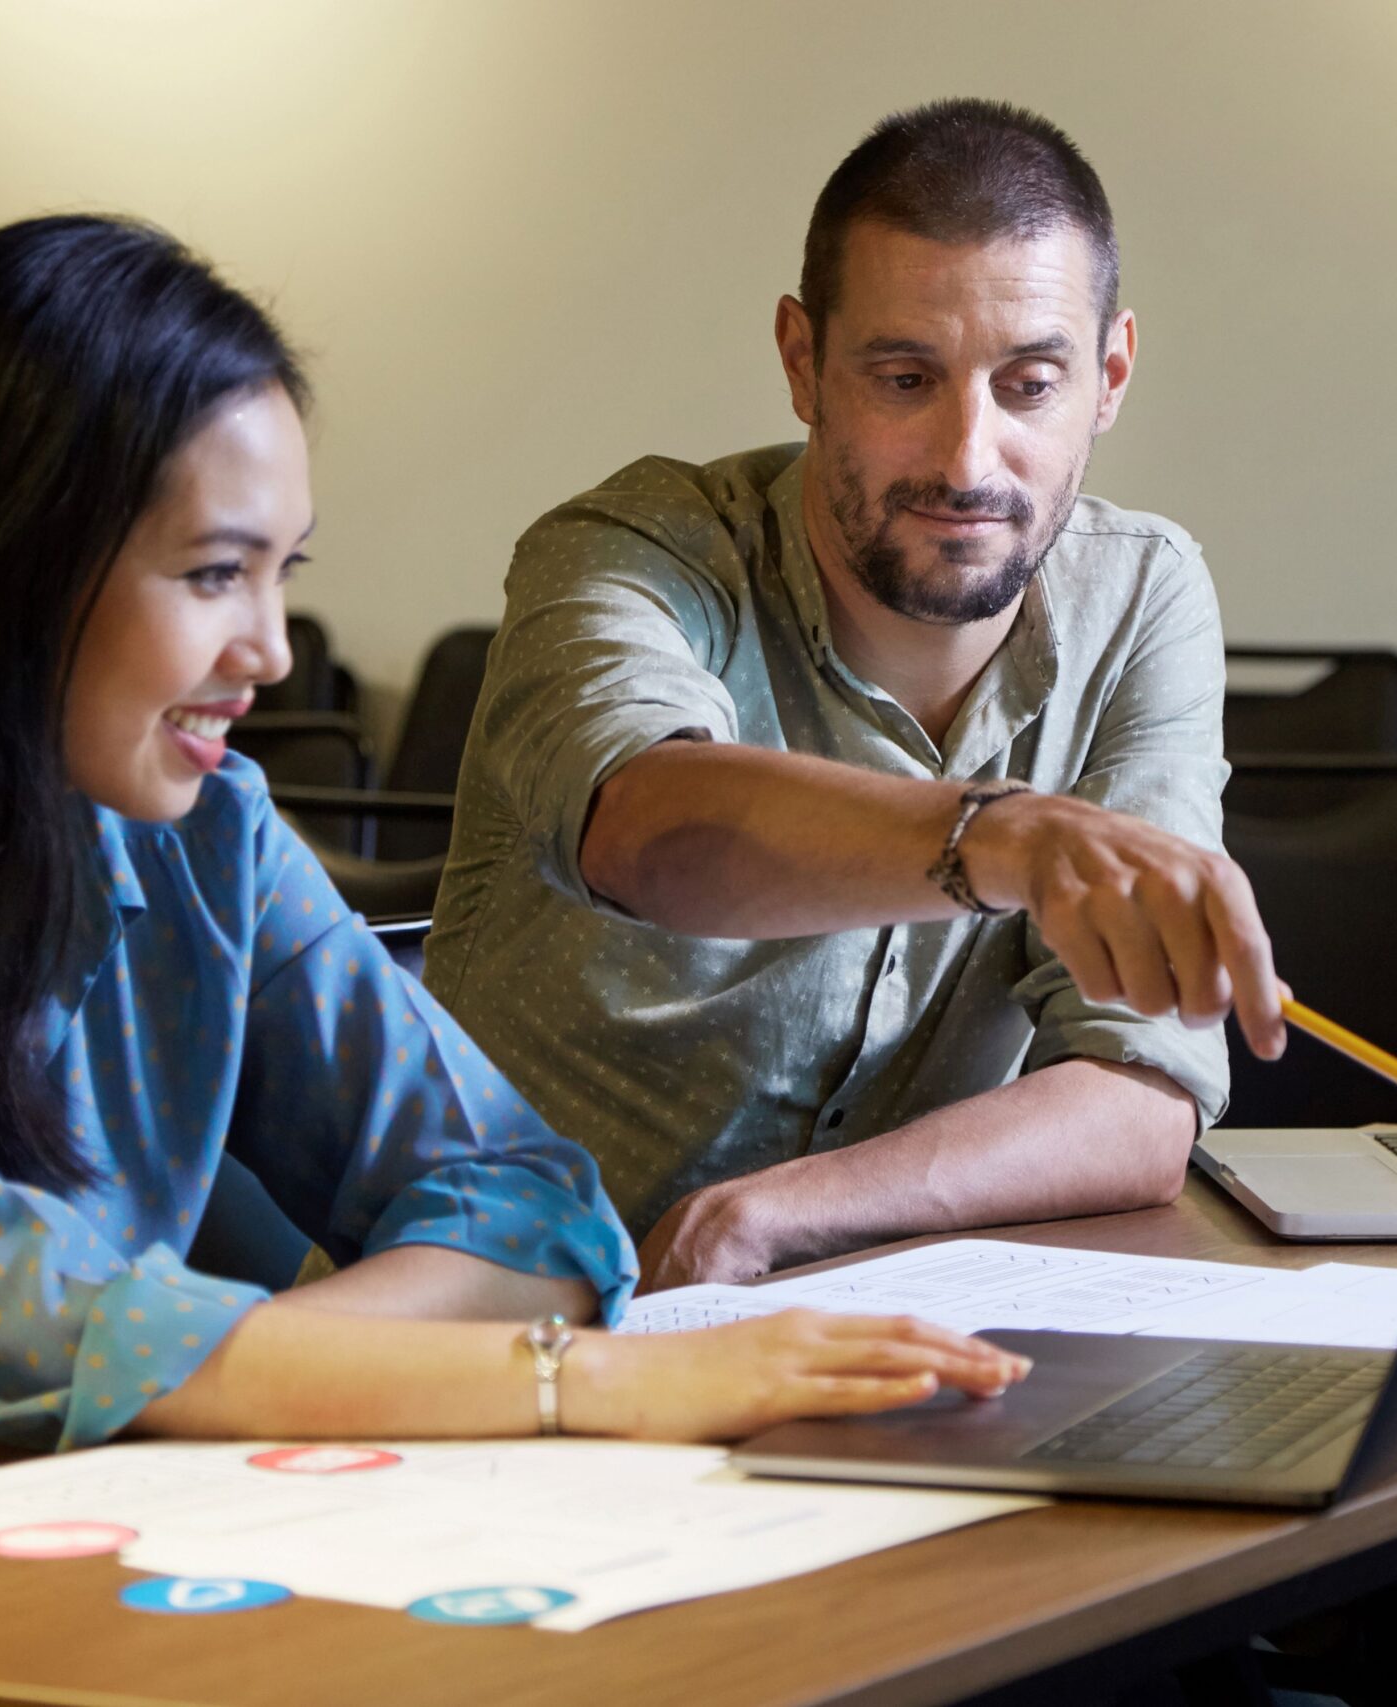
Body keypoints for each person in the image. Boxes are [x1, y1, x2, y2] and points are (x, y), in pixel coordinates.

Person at [0, 215, 1024, 1530]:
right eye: (215, 572)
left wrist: (235, 1378)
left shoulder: (210, 829)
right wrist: (582, 1382)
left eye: (282, 574)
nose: (270, 651)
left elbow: (537, 1213)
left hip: (30, 1536)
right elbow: (20, 1325)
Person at [426, 100, 1287, 1291]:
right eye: (902, 378)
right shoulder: (625, 550)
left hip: (856, 1335)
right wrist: (1002, 840)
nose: (966, 461)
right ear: (801, 361)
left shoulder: (1142, 595)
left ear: (1110, 374)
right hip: (485, 1323)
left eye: (1030, 384)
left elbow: (1141, 1093)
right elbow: (647, 832)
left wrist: (781, 1217)